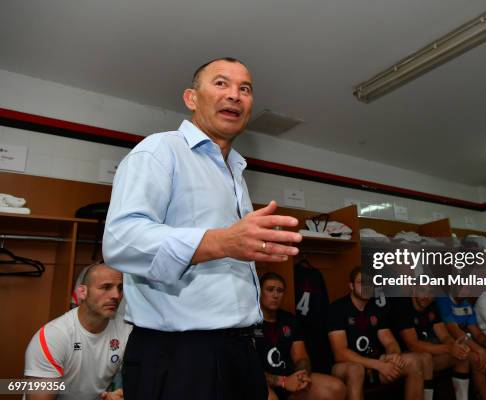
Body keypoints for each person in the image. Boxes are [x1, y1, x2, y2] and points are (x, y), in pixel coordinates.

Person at [102, 57, 303, 400]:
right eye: (221, 84)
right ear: (191, 98)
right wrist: (221, 242)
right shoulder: (159, 150)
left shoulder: (236, 173)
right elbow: (122, 241)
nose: (235, 95)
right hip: (180, 356)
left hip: (241, 349)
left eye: (245, 89)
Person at [24, 263, 131, 400]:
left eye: (120, 288)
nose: (116, 295)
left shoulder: (126, 330)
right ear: (82, 292)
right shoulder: (53, 337)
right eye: (106, 287)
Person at [327, 267, 429, 400]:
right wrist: (378, 365)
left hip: (374, 363)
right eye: (361, 283)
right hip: (345, 366)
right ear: (351, 286)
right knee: (355, 370)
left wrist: (393, 355)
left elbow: (390, 342)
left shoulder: (375, 308)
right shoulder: (337, 308)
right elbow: (340, 353)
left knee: (415, 361)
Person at [255, 272, 345, 400]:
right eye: (270, 290)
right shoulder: (249, 323)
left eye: (280, 291)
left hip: (291, 379)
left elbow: (301, 357)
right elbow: (248, 370)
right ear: (259, 292)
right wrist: (283, 381)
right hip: (262, 383)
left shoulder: (289, 320)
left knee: (336, 387)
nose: (275, 295)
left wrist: (301, 376)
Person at [391, 285, 471, 400]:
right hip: (407, 359)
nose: (427, 296)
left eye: (431, 292)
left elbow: (444, 336)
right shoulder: (403, 305)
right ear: (414, 290)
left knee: (462, 356)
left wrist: (455, 346)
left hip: (430, 354)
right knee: (425, 358)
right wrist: (448, 348)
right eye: (423, 290)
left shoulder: (432, 306)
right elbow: (413, 345)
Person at [436, 286, 486, 400]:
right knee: (478, 358)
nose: (463, 291)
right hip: (454, 346)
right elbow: (455, 331)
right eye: (460, 287)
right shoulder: (443, 300)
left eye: (467, 288)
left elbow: (477, 333)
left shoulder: (466, 304)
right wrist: (480, 350)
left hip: (470, 343)